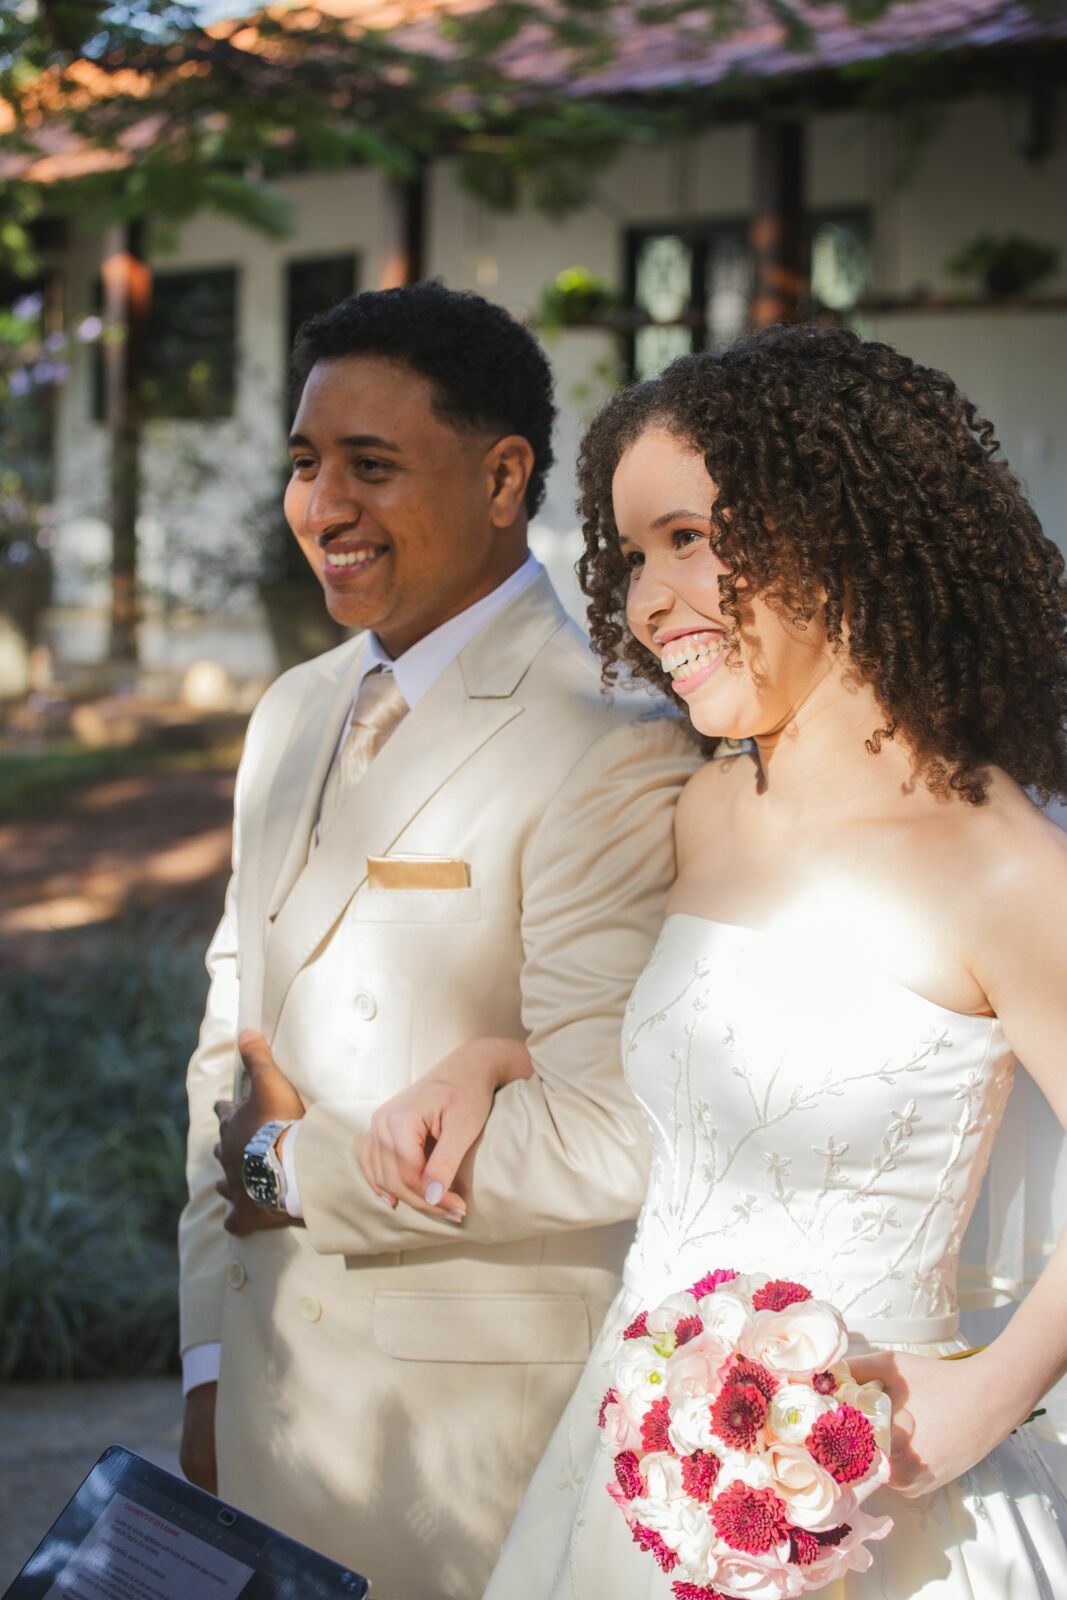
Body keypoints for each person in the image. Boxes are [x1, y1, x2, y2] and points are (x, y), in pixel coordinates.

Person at [362, 323, 1067, 1597]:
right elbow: (712, 1059)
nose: (643, 601)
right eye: (631, 556)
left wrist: (986, 1394)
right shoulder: (704, 813)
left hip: (877, 1488)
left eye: (686, 539)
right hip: (630, 1469)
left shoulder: (1005, 868)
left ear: (833, 523)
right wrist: (491, 1060)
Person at [177, 281, 700, 1600]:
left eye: (370, 466)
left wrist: (293, 1169)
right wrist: (203, 1367)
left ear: (501, 476)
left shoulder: (606, 731)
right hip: (262, 1416)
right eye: (305, 465)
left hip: (470, 1462)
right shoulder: (290, 712)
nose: (322, 507)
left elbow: (618, 1128)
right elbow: (225, 1058)